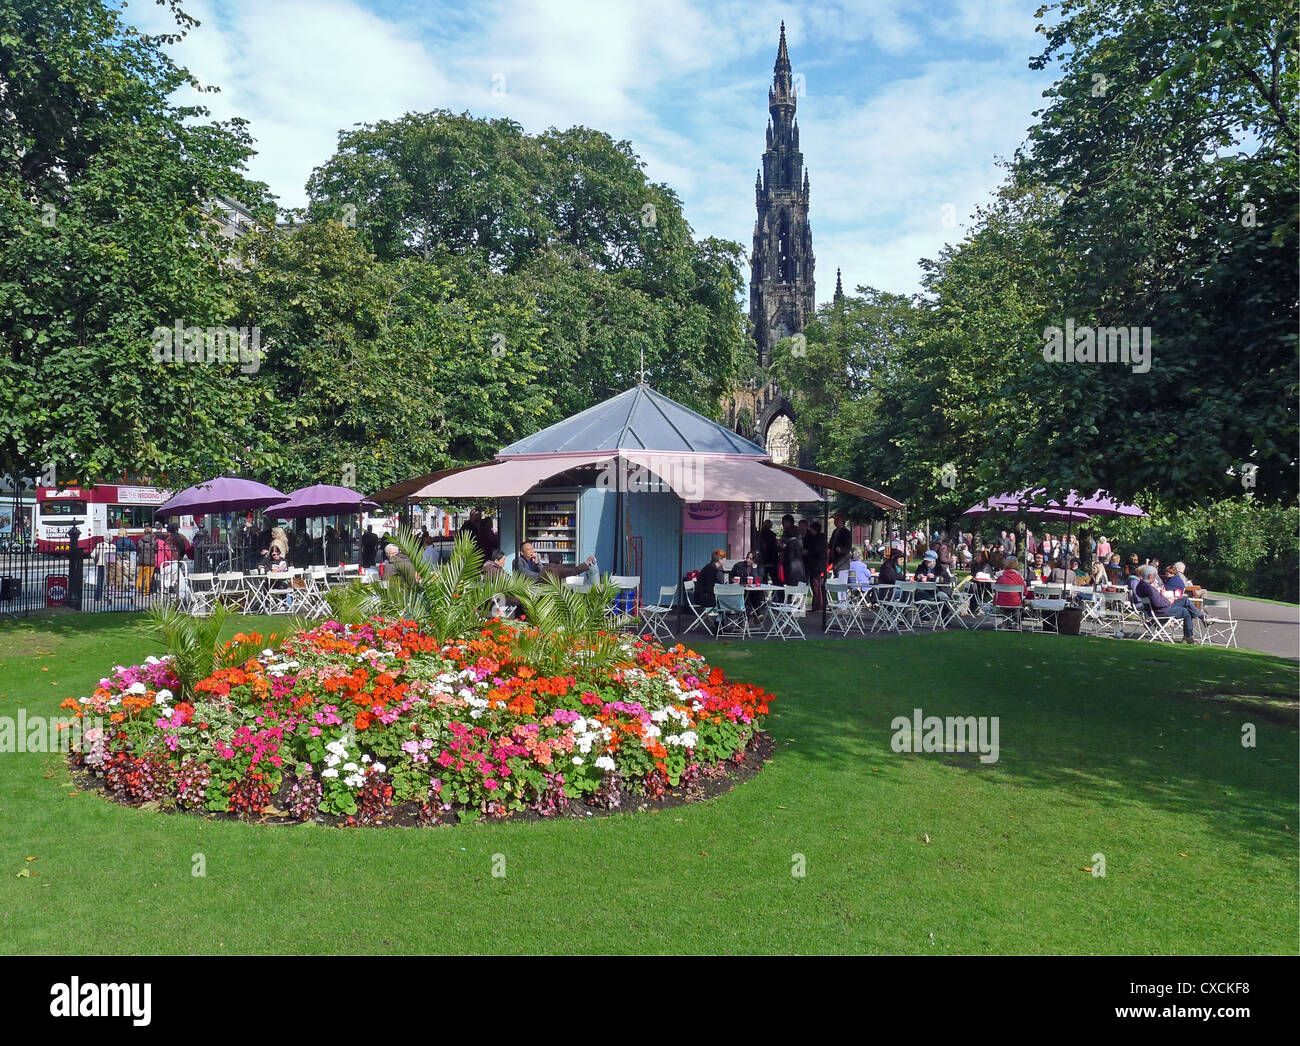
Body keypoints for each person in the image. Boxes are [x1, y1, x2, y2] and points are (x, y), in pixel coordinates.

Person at [1134, 564, 1205, 642]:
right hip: (1160, 611)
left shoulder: (1141, 585)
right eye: (1154, 576)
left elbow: (1156, 600)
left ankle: (1201, 617)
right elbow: (1158, 603)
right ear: (1150, 576)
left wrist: (1161, 595)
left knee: (1185, 601)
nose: (1155, 578)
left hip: (1154, 609)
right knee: (1186, 611)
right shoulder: (1149, 588)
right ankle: (1188, 637)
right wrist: (1169, 601)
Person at [135, 526, 158, 595]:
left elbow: (138, 550)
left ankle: (138, 590)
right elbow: (156, 551)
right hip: (150, 562)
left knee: (140, 576)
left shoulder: (140, 541)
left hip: (141, 561)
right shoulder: (153, 542)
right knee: (148, 577)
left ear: (144, 532)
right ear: (151, 533)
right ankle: (146, 592)